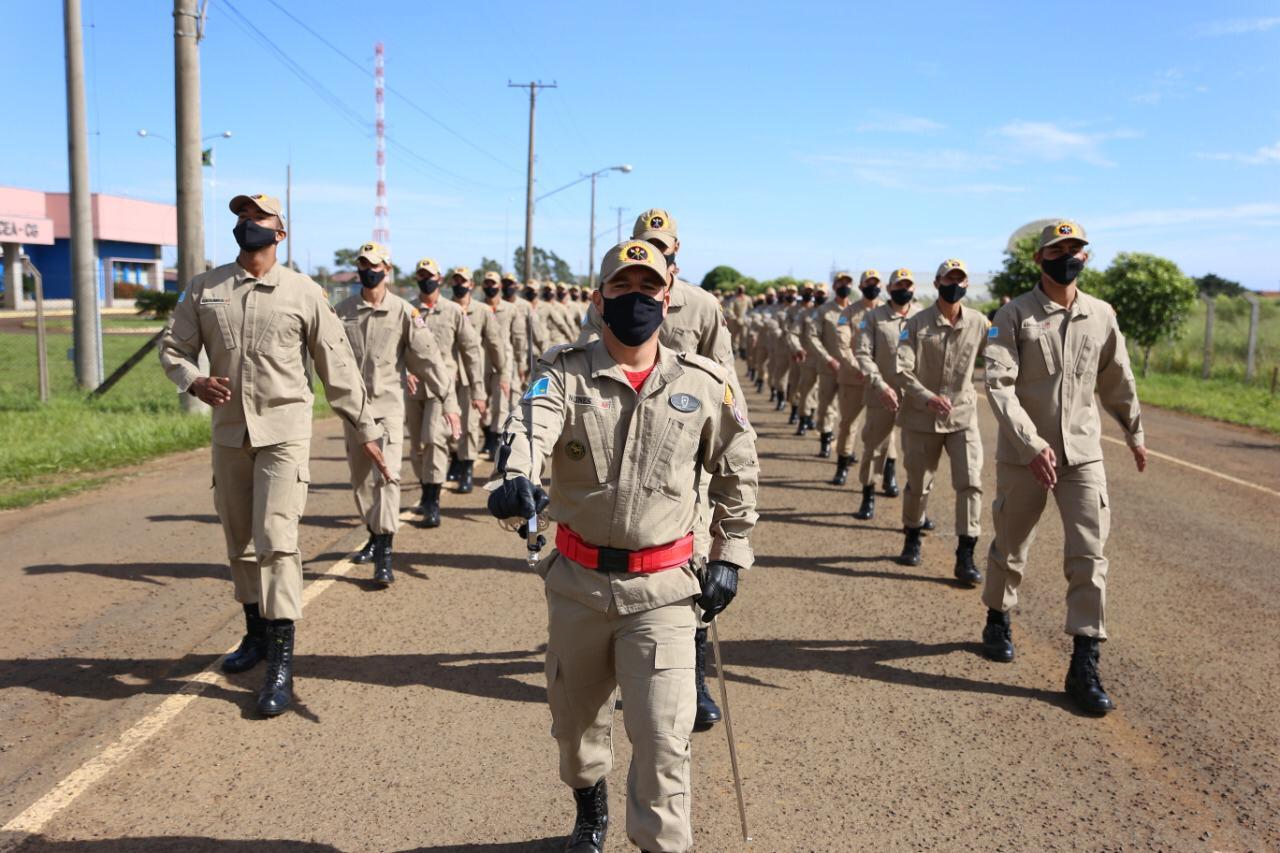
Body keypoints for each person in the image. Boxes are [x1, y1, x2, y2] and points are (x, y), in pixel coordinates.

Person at [487, 239, 758, 853]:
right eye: (621, 287)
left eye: (647, 289)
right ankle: (590, 815)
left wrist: (730, 555)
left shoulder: (704, 382)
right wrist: (515, 482)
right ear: (599, 296)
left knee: (664, 738)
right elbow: (531, 429)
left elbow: (738, 471)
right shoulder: (562, 371)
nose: (635, 299)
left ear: (667, 297)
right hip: (578, 585)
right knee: (576, 727)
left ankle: (660, 845)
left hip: (663, 590)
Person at [159, 192, 390, 717]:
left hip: (284, 433)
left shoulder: (304, 293)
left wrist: (366, 429)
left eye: (259, 218)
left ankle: (280, 664)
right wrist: (195, 382)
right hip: (229, 435)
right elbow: (173, 349)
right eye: (242, 217)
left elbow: (339, 366)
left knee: (277, 539)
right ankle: (255, 635)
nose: (248, 225)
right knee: (239, 540)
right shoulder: (205, 288)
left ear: (280, 234)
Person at [576, 207, 743, 732]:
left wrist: (733, 448)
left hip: (682, 453)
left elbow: (726, 378)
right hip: (621, 439)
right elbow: (587, 358)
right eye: (646, 244)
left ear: (676, 253)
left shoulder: (703, 305)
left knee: (688, 562)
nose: (657, 253)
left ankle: (690, 680)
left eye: (664, 247)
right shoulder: (614, 296)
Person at [981, 220, 1146, 716]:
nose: (1067, 257)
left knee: (1089, 556)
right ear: (1040, 259)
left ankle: (1084, 662)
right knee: (1011, 543)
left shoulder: (1101, 315)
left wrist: (1134, 431)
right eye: (1058, 250)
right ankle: (998, 616)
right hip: (1024, 455)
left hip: (1082, 456)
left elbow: (1118, 377)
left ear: (1086, 258)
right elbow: (999, 384)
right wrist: (1031, 443)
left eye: (1075, 250)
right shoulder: (1013, 315)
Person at [334, 242, 450, 584]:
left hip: (387, 411)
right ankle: (374, 532)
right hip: (354, 413)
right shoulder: (341, 312)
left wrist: (448, 402)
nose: (368, 270)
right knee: (360, 482)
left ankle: (384, 552)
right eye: (363, 264)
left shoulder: (403, 312)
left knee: (386, 477)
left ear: (387, 270)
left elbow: (428, 358)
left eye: (375, 265)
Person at [894, 259, 989, 583]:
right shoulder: (916, 324)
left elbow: (1004, 348)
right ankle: (912, 536)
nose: (955, 285)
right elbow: (902, 369)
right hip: (922, 417)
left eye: (961, 280)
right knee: (919, 484)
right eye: (949, 279)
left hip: (962, 415)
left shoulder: (980, 322)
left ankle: (966, 554)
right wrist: (926, 396)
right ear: (936, 284)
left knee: (970, 483)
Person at [405, 258, 480, 527]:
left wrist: (478, 390)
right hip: (413, 388)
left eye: (430, 275)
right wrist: (404, 373)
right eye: (421, 275)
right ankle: (427, 485)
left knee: (434, 438)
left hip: (442, 386)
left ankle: (431, 500)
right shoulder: (407, 310)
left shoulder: (453, 312)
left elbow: (471, 350)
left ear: (439, 279)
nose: (426, 280)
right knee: (416, 446)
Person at [851, 268, 920, 520]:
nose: (904, 290)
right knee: (874, 448)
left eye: (908, 286)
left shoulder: (922, 316)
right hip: (882, 394)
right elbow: (862, 353)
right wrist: (880, 385)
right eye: (899, 286)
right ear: (889, 289)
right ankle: (868, 495)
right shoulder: (873, 317)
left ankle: (917, 511)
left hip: (914, 396)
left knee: (917, 453)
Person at [450, 267, 508, 493]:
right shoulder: (446, 309)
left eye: (463, 281)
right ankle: (455, 457)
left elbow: (494, 343)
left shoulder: (482, 311)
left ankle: (466, 469)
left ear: (470, 285)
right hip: (446, 377)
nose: (459, 285)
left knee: (469, 425)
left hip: (473, 376)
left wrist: (503, 372)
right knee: (444, 428)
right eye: (455, 281)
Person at [829, 270, 882, 485]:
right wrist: (858, 368)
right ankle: (842, 464)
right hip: (854, 378)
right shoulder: (849, 313)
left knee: (885, 430)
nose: (872, 287)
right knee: (848, 424)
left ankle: (886, 473)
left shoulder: (886, 312)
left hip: (881, 381)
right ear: (861, 287)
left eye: (875, 283)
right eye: (868, 283)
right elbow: (842, 344)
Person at [808, 272, 855, 459]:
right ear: (834, 287)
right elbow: (813, 336)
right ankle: (826, 440)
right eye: (841, 283)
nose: (844, 287)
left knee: (850, 412)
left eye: (847, 283)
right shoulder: (824, 311)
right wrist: (827, 358)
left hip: (850, 369)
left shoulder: (855, 310)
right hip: (829, 368)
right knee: (826, 406)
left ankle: (846, 448)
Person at [480, 271, 517, 461]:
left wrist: (519, 364)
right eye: (487, 283)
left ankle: (495, 441)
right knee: (481, 404)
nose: (490, 286)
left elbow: (517, 338)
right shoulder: (478, 308)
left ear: (499, 286)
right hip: (482, 361)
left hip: (504, 362)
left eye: (493, 283)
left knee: (501, 405)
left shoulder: (510, 309)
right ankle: (487, 435)